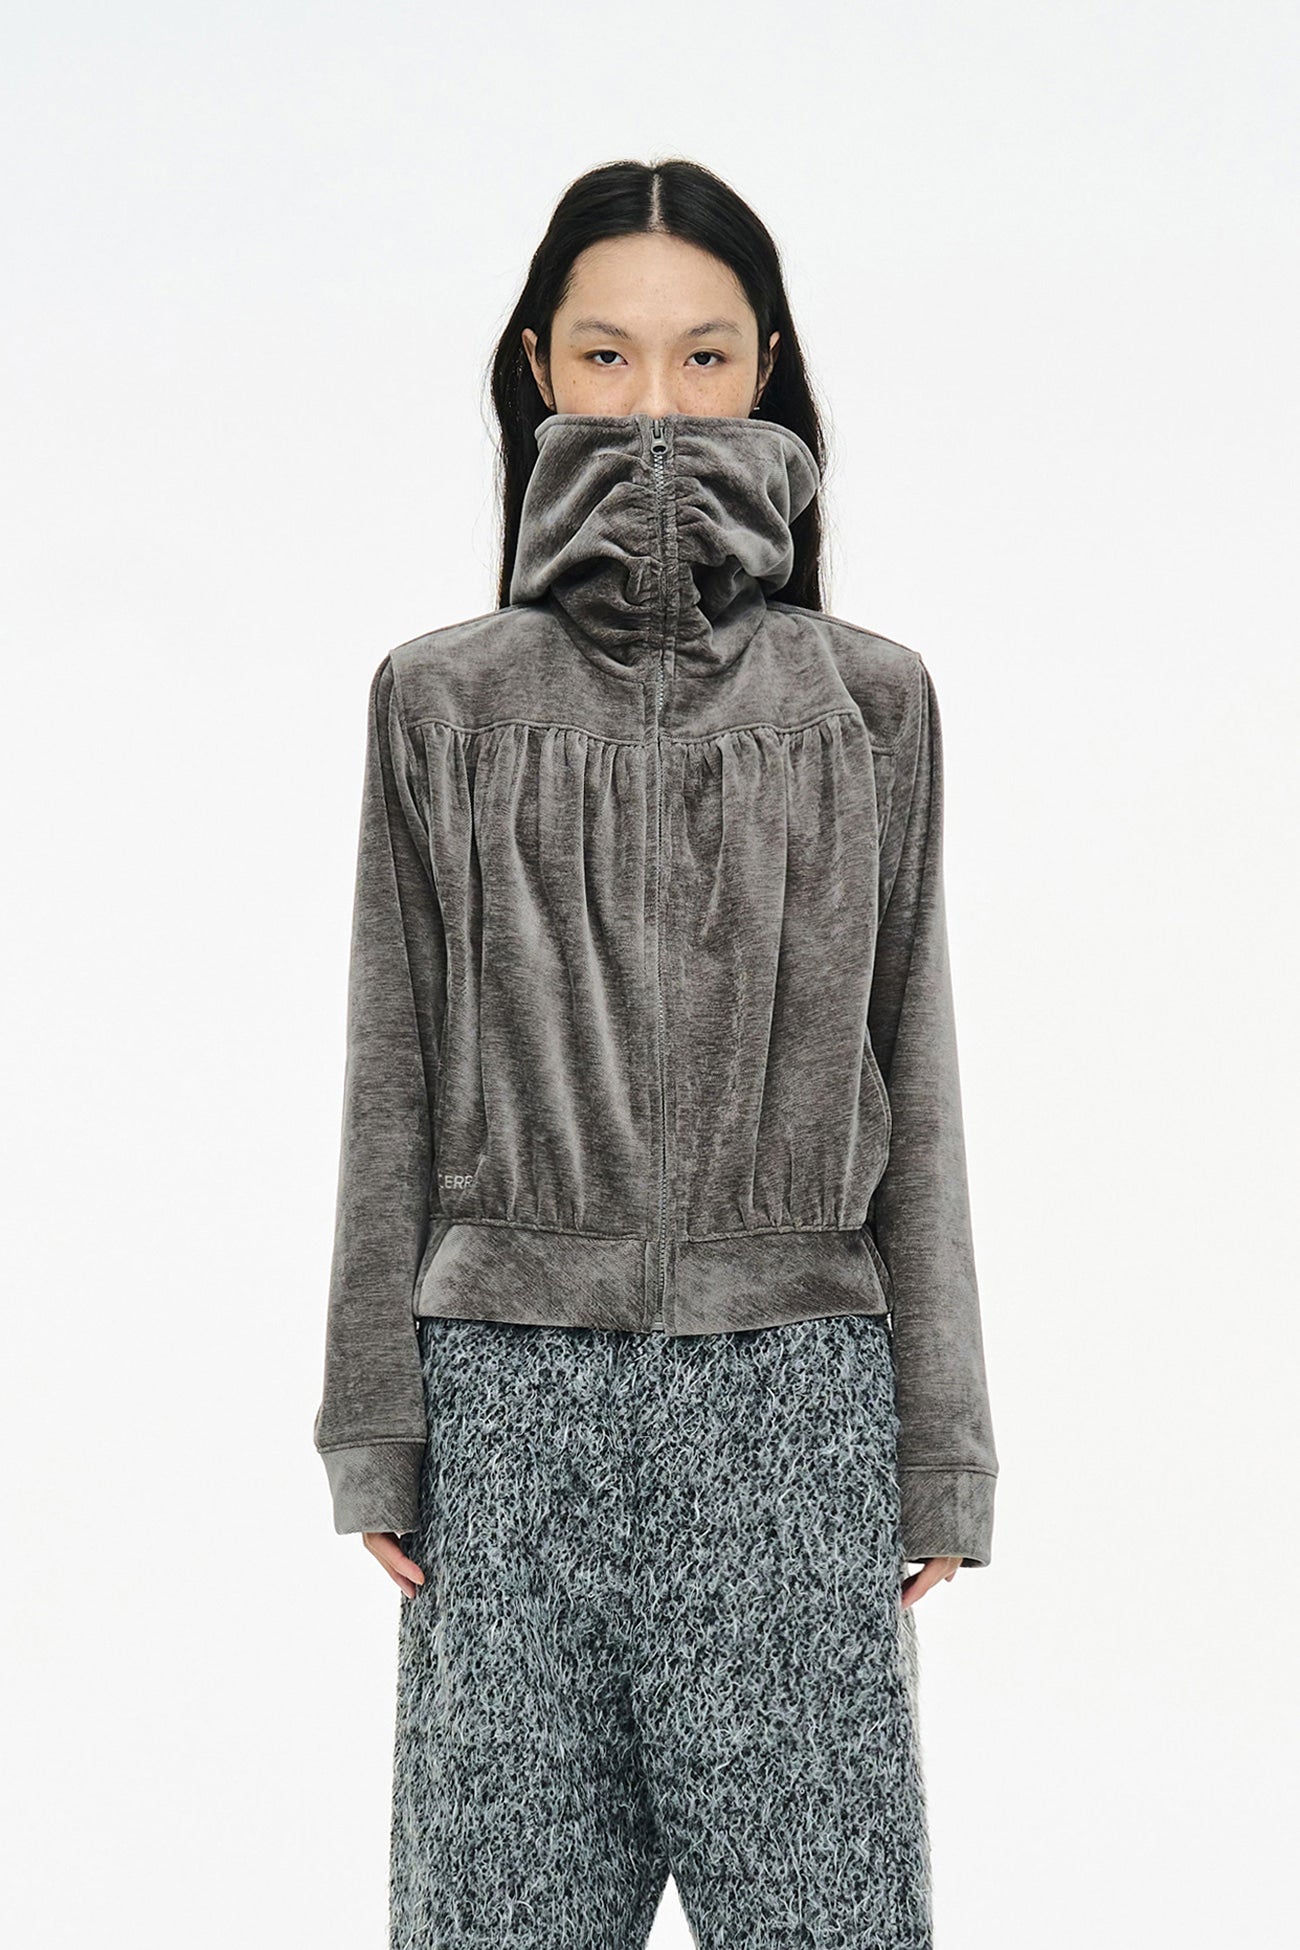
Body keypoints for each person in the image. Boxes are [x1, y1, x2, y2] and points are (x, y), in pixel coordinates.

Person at [313, 156, 998, 1950]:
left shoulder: (868, 702)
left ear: (766, 368)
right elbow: (393, 1073)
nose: (655, 404)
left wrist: (940, 1446)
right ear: (539, 367)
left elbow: (917, 1081)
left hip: (794, 1413)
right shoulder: (441, 700)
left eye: (702, 355)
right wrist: (377, 1421)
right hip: (509, 1420)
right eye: (608, 355)